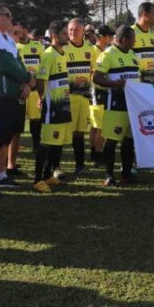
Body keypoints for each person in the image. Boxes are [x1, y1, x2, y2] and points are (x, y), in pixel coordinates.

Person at [0, 3, 34, 194]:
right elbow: (5, 64)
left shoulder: (6, 38)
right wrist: (27, 78)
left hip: (9, 95)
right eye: (8, 15)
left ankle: (1, 174)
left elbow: (17, 61)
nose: (12, 19)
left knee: (6, 136)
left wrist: (26, 83)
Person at [93, 25, 140, 186]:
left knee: (129, 142)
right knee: (111, 141)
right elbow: (96, 78)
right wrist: (114, 84)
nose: (135, 42)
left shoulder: (133, 54)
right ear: (124, 40)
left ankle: (126, 174)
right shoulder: (108, 55)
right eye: (133, 39)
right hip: (115, 105)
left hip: (132, 106)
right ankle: (109, 175)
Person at [33, 21, 72, 192]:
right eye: (64, 33)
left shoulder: (62, 52)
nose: (68, 36)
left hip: (63, 105)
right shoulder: (49, 54)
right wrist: (42, 98)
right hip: (52, 107)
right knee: (46, 144)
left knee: (57, 143)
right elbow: (41, 81)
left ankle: (48, 176)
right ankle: (37, 180)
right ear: (55, 36)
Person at [63, 18, 97, 177]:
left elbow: (93, 71)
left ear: (83, 31)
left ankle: (80, 165)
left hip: (83, 97)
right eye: (70, 30)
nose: (72, 33)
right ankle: (55, 167)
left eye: (76, 30)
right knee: (62, 133)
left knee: (79, 133)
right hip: (66, 98)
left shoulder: (91, 49)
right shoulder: (63, 48)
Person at [8, 19, 41, 176]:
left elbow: (41, 66)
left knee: (35, 120)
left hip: (33, 89)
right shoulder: (13, 47)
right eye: (15, 32)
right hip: (19, 90)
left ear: (26, 30)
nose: (18, 35)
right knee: (16, 127)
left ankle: (36, 145)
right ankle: (8, 164)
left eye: (20, 32)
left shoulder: (37, 46)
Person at [90, 25, 115, 165]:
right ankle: (98, 155)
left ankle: (95, 153)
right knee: (99, 125)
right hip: (97, 90)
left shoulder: (105, 50)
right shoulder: (94, 51)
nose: (111, 38)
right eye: (109, 36)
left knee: (96, 125)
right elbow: (93, 73)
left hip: (103, 90)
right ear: (103, 37)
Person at [133, 2, 154, 83]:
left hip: (149, 79)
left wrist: (152, 77)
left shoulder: (151, 34)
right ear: (145, 14)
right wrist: (140, 78)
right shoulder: (131, 32)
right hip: (136, 82)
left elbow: (149, 58)